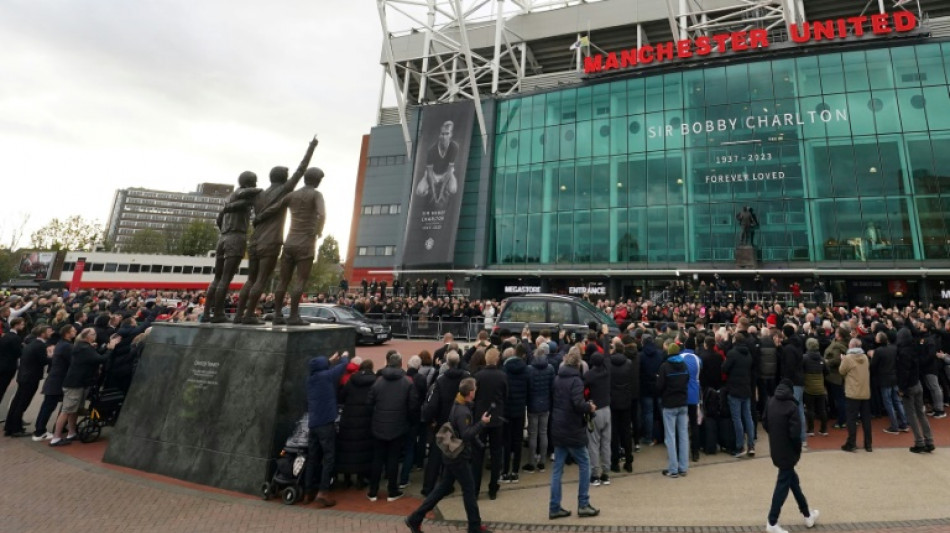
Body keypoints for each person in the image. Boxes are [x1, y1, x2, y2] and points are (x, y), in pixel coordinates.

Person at [234, 136, 318, 324]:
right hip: (269, 242)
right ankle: (248, 316)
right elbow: (301, 170)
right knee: (261, 280)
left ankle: (239, 315)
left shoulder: (258, 194)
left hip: (254, 241)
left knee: (250, 280)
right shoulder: (284, 190)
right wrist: (311, 148)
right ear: (284, 179)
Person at [405, 377, 491, 533]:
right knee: (469, 490)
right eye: (475, 390)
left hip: (451, 455)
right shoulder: (463, 411)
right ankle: (474, 526)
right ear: (470, 392)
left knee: (442, 489)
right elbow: (466, 434)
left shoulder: (458, 404)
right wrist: (482, 423)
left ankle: (415, 518)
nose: (476, 392)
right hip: (458, 457)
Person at [258, 167, 327, 325]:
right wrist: (318, 231)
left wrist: (259, 217)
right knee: (300, 280)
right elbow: (322, 214)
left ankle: (277, 315)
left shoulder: (292, 195)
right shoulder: (316, 195)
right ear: (316, 179)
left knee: (283, 281)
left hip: (289, 242)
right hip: (306, 243)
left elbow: (273, 209)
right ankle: (293, 315)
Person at [202, 172, 262, 322]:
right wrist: (261, 191)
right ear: (249, 182)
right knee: (226, 279)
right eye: (254, 181)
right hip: (236, 237)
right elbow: (248, 192)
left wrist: (224, 229)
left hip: (223, 237)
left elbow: (218, 219)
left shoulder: (227, 199)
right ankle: (218, 314)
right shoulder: (241, 193)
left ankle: (207, 313)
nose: (255, 184)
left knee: (217, 278)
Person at [762, 378, 820, 533]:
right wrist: (797, 450)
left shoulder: (771, 402)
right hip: (788, 451)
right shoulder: (792, 406)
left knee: (793, 482)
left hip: (776, 449)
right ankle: (772, 521)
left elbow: (765, 423)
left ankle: (807, 514)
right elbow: (795, 434)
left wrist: (775, 436)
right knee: (783, 485)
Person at [548, 349, 599, 520]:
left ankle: (554, 506)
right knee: (585, 464)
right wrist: (589, 407)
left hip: (558, 426)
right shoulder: (576, 381)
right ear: (578, 363)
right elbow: (578, 403)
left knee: (557, 469)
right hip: (572, 428)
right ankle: (583, 503)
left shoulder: (557, 378)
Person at [50, 329, 119, 447]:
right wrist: (110, 349)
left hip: (79, 383)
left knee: (74, 410)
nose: (95, 336)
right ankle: (56, 437)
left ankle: (71, 433)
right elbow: (100, 359)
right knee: (67, 410)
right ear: (87, 337)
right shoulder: (84, 348)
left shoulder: (82, 347)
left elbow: (94, 356)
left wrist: (102, 348)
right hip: (75, 384)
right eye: (93, 334)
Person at [367, 352, 419, 503]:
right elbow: (413, 406)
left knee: (377, 459)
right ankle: (392, 490)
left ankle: (373, 491)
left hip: (379, 426)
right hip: (398, 426)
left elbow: (369, 403)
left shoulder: (378, 382)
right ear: (401, 363)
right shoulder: (407, 383)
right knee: (393, 459)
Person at [304, 350, 350, 507]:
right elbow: (343, 366)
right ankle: (323, 493)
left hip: (313, 423)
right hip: (326, 423)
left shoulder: (311, 379)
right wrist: (344, 356)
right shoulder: (327, 376)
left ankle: (307, 491)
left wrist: (330, 360)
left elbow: (322, 367)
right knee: (329, 458)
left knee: (312, 458)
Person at [4, 325, 52, 437]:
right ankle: (16, 428)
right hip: (31, 378)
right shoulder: (40, 345)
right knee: (22, 403)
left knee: (17, 402)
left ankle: (10, 426)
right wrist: (52, 356)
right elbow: (43, 361)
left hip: (24, 376)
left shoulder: (32, 344)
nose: (51, 333)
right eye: (48, 331)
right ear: (42, 333)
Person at [472, 348, 507, 500]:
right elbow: (506, 395)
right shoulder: (502, 376)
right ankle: (493, 488)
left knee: (477, 455)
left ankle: (475, 489)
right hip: (496, 418)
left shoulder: (478, 376)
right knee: (496, 453)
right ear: (497, 359)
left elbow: (473, 396)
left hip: (481, 418)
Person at [32, 325, 75, 441]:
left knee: (48, 406)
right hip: (57, 381)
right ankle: (40, 431)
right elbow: (72, 361)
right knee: (49, 406)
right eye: (72, 331)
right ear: (67, 333)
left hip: (54, 379)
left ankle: (43, 429)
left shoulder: (60, 344)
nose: (75, 332)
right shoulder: (67, 346)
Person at [657, 341, 690, 477]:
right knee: (683, 436)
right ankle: (683, 467)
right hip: (683, 403)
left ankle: (673, 468)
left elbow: (659, 386)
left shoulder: (664, 367)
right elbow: (687, 380)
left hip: (669, 404)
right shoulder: (684, 365)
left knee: (670, 437)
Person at [723, 331, 755, 457]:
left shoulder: (732, 353)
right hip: (746, 387)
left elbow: (725, 368)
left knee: (737, 418)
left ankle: (740, 446)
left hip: (735, 388)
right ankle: (751, 445)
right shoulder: (748, 354)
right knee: (747, 417)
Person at [415, 121, 459, 208]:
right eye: (442, 134)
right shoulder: (431, 150)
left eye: (447, 134)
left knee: (453, 190)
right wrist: (435, 195)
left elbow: (450, 170)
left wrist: (441, 192)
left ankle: (445, 188)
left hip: (446, 173)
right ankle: (432, 188)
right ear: (439, 135)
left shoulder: (454, 147)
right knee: (419, 191)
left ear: (451, 135)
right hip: (433, 174)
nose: (444, 136)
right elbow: (430, 173)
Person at [839, 339, 872, 452]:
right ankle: (868, 444)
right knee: (866, 419)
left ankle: (851, 443)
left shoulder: (848, 358)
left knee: (851, 419)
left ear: (851, 346)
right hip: (865, 392)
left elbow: (841, 371)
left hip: (853, 392)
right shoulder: (865, 357)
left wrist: (842, 360)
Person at [584, 352, 612, 485]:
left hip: (595, 410)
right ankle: (606, 473)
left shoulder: (589, 375)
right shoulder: (607, 371)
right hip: (607, 409)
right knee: (606, 443)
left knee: (593, 443)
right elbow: (607, 357)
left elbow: (583, 389)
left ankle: (595, 474)